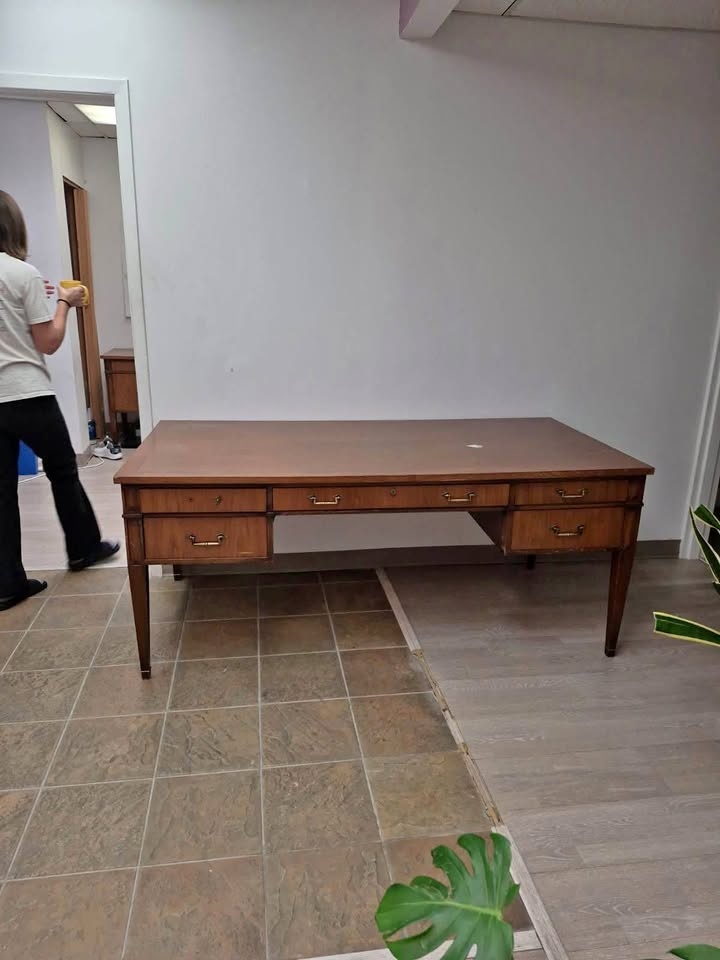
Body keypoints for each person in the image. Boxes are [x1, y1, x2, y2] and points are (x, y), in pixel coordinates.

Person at [0, 190, 119, 611]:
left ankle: (7, 584)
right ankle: (84, 548)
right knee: (63, 471)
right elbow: (48, 341)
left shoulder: (23, 277)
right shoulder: (20, 272)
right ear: (13, 225)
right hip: (26, 392)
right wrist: (64, 303)